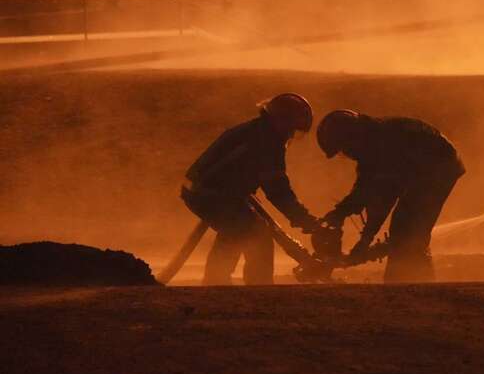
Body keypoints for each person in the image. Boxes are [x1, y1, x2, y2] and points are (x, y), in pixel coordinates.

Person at [180, 93, 320, 285]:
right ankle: (255, 286)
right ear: (280, 120)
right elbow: (277, 190)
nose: (290, 135)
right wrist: (303, 219)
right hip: (209, 193)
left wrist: (302, 219)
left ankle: (217, 282)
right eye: (290, 129)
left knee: (238, 228)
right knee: (254, 233)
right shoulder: (267, 141)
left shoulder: (257, 130)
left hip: (214, 191)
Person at [315, 110, 465, 282]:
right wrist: (340, 213)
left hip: (440, 167)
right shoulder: (371, 144)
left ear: (352, 137)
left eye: (344, 149)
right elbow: (363, 190)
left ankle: (409, 280)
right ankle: (413, 279)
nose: (348, 155)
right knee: (406, 227)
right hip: (429, 168)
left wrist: (365, 239)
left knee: (408, 227)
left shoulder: (384, 144)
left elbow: (387, 196)